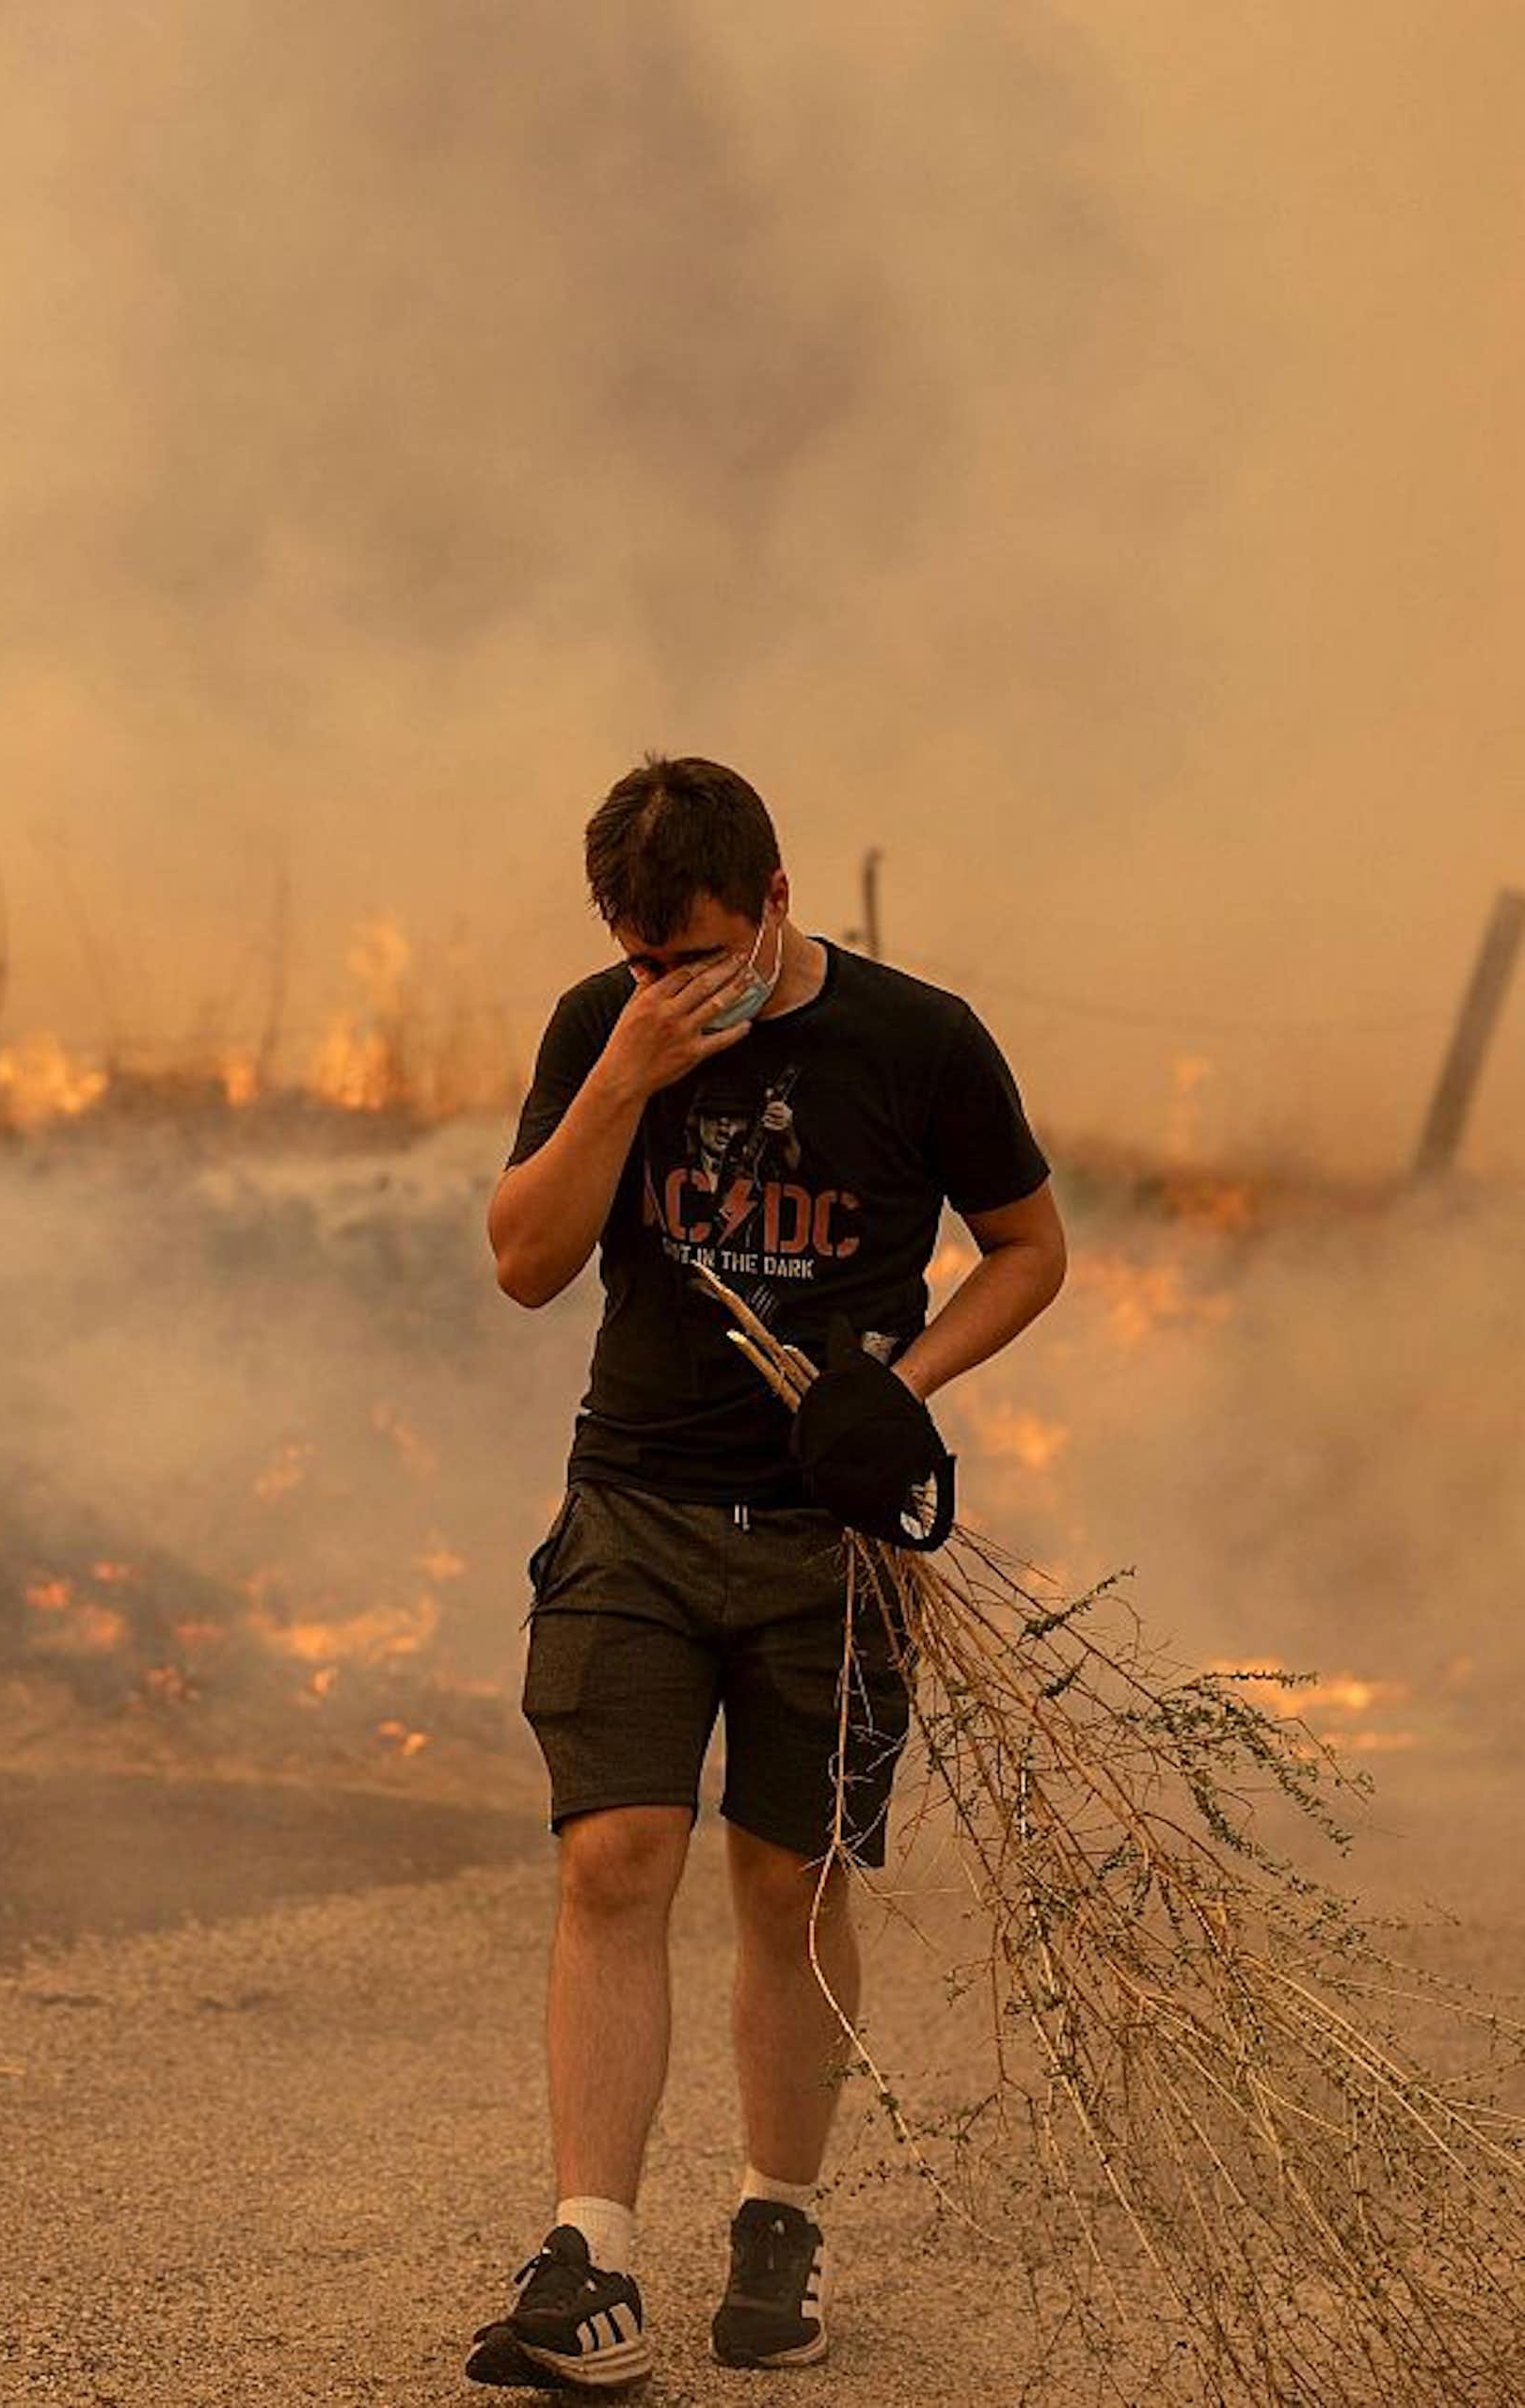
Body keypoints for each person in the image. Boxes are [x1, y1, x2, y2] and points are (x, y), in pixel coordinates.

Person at [465, 755, 1066, 2389]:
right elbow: (525, 1265)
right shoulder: (605, 1024)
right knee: (614, 1861)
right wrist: (625, 1073)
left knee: (791, 1885)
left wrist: (904, 1388)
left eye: (704, 959)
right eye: (646, 960)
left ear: (781, 902)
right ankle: (591, 2256)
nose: (673, 989)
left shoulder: (918, 1039)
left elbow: (1033, 1249)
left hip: (831, 1543)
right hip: (636, 1507)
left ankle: (779, 2220)